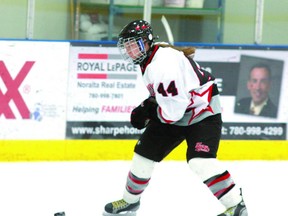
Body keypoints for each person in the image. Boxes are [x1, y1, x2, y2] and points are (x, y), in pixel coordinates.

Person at [103, 20, 248, 216]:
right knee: (143, 155)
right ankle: (130, 203)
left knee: (200, 161)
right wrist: (149, 104)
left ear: (147, 42)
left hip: (202, 110)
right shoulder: (151, 56)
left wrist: (148, 110)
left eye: (133, 45)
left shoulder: (163, 65)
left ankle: (236, 205)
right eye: (127, 46)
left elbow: (172, 114)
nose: (130, 51)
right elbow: (170, 100)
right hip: (178, 107)